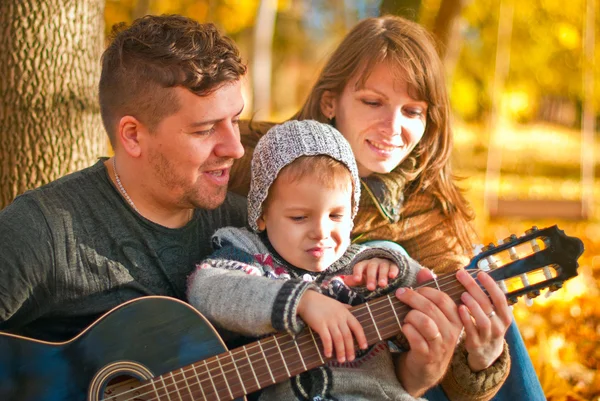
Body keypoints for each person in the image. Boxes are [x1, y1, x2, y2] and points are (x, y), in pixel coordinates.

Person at [229, 15, 525, 400]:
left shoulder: (430, 214)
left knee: (481, 293)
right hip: (256, 367)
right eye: (373, 102)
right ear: (330, 100)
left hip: (371, 381)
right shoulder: (257, 160)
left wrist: (483, 360)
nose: (393, 126)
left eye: (413, 111)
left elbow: (454, 385)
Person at [187, 119, 505, 401]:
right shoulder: (248, 254)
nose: (321, 232)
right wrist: (301, 301)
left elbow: (429, 297)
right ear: (262, 216)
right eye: (299, 217)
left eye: (337, 215)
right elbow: (208, 288)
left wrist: (395, 265)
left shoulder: (367, 267)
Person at [0, 15, 249, 342]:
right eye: (205, 130)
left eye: (236, 120)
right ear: (132, 136)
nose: (236, 148)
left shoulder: (246, 228)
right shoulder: (42, 230)